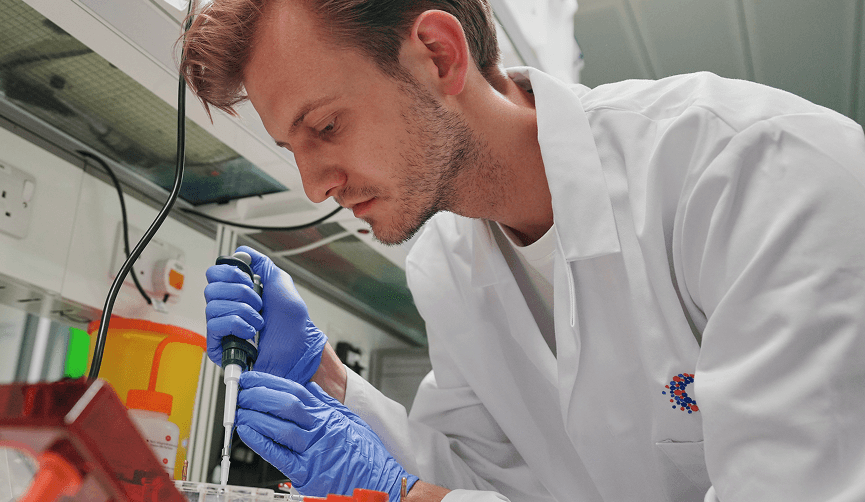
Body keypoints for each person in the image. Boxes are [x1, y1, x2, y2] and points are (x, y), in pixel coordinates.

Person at [187, 0, 865, 501]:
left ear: (439, 55)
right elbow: (478, 480)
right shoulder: (446, 265)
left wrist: (404, 497)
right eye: (292, 148)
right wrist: (325, 378)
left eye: (326, 125)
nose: (313, 186)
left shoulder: (757, 171)